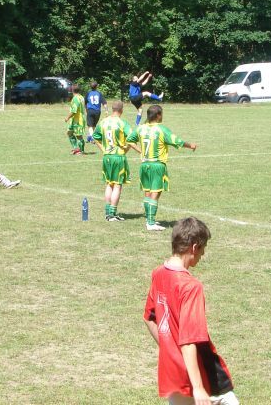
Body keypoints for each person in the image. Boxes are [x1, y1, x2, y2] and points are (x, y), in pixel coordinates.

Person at [144, 217, 237, 405]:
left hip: (173, 371)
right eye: (203, 248)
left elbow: (149, 318)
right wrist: (198, 387)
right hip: (202, 373)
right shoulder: (190, 287)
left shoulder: (158, 273)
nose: (203, 254)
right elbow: (188, 340)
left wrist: (169, 349)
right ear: (194, 247)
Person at [127, 105, 197, 231]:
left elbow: (129, 140)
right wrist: (190, 145)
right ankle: (150, 222)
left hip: (144, 164)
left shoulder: (141, 128)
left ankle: (149, 220)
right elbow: (177, 141)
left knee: (147, 192)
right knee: (155, 192)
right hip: (157, 165)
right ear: (158, 115)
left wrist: (140, 151)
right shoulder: (161, 129)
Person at [92, 101, 141, 222]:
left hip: (107, 157)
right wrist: (138, 151)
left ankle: (108, 212)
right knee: (117, 185)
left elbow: (95, 137)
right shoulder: (122, 123)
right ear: (122, 110)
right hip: (118, 157)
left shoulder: (103, 122)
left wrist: (104, 150)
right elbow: (131, 139)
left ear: (112, 109)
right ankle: (112, 214)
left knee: (109, 184)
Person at [64, 83, 87, 155]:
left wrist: (67, 117)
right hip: (75, 120)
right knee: (69, 132)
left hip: (78, 120)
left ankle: (81, 151)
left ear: (72, 90)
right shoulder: (81, 97)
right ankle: (76, 148)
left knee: (79, 135)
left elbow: (74, 111)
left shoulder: (76, 98)